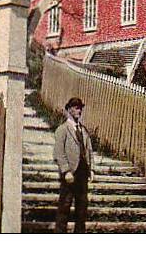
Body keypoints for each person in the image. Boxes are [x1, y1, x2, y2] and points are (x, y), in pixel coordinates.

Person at [53, 97, 94, 233]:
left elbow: (89, 150)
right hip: (70, 174)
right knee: (64, 207)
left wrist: (91, 169)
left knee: (82, 209)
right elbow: (58, 153)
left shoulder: (83, 130)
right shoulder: (63, 129)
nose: (79, 111)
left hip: (82, 174)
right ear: (69, 109)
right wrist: (66, 171)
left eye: (80, 108)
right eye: (76, 108)